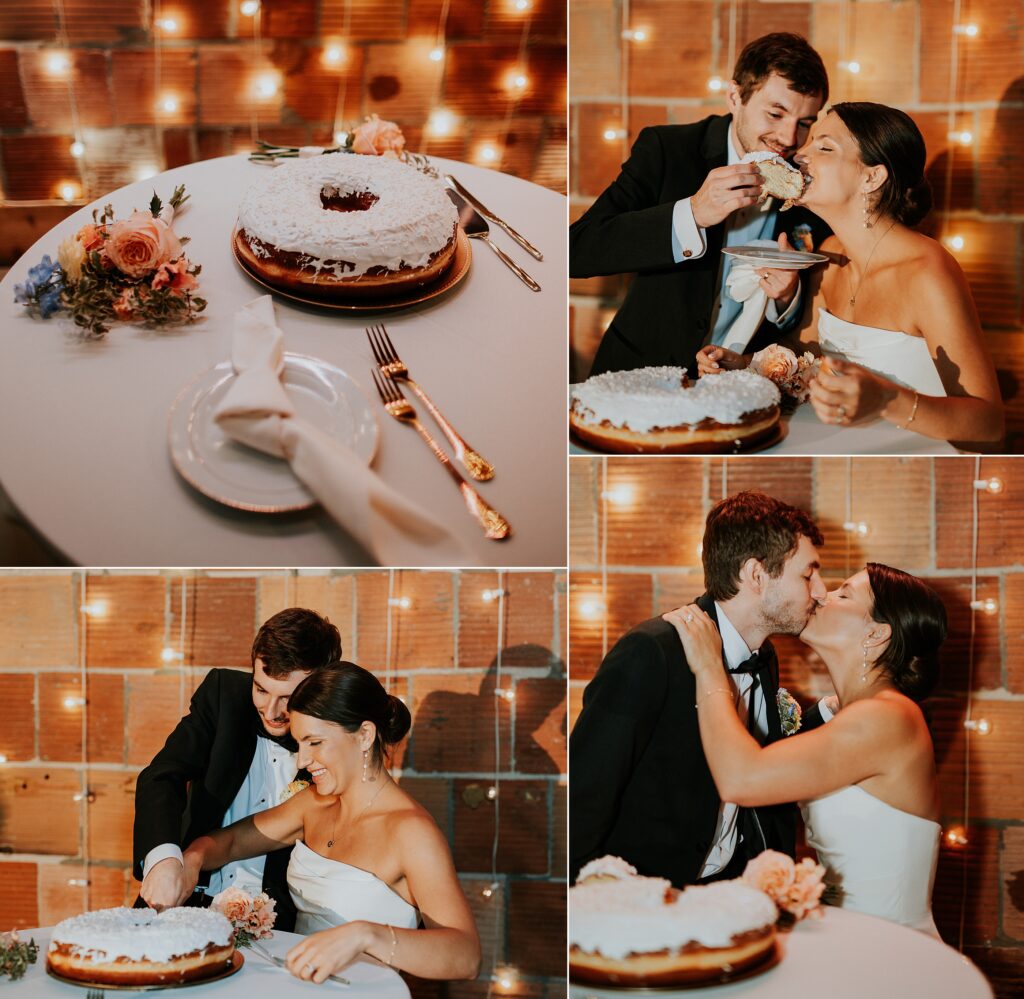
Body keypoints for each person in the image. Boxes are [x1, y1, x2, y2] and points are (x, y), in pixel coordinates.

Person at [697, 102, 1004, 448]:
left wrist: (888, 400)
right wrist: (745, 363)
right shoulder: (830, 251)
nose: (799, 155)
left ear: (872, 177)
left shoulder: (928, 274)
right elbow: (807, 360)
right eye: (809, 142)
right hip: (831, 441)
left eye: (824, 147)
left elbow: (990, 425)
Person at [664, 562, 947, 933]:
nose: (818, 594)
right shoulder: (858, 714)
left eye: (843, 594)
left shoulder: (888, 718)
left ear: (877, 634)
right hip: (838, 933)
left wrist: (709, 669)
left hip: (884, 947)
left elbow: (742, 780)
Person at [569, 491, 826, 887]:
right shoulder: (652, 651)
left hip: (729, 894)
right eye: (808, 575)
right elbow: (584, 795)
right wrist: (589, 901)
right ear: (756, 575)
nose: (820, 591)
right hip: (645, 896)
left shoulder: (766, 656)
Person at [179, 662, 481, 984]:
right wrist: (190, 860)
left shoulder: (411, 832)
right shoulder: (313, 803)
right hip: (294, 987)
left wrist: (367, 936)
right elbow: (232, 842)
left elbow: (465, 956)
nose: (302, 760)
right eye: (299, 744)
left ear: (364, 735)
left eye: (315, 742)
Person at [570, 33, 832, 377]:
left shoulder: (811, 180)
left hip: (743, 385)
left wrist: (787, 298)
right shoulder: (666, 149)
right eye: (775, 114)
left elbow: (815, 305)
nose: (788, 138)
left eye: (804, 124)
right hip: (640, 374)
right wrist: (692, 214)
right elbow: (577, 250)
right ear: (735, 96)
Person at [132, 607, 342, 930]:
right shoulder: (223, 695)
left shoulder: (337, 741)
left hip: (275, 929)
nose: (271, 711)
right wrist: (163, 860)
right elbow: (161, 777)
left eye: (288, 698)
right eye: (261, 689)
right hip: (183, 904)